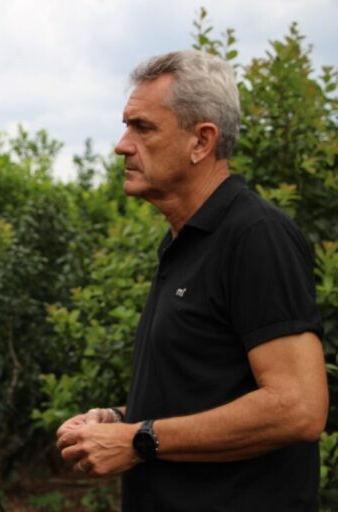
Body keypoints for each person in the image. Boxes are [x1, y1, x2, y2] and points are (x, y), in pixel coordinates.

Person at [56, 50, 328, 511]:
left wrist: (139, 439)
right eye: (126, 126)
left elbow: (298, 407)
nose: (122, 145)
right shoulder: (184, 243)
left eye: (142, 128)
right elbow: (206, 391)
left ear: (201, 141)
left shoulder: (255, 236)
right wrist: (117, 420)